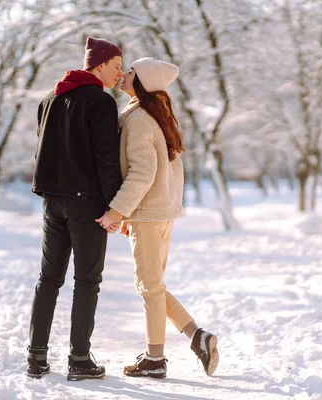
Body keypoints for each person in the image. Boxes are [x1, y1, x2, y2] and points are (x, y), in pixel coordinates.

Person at [96, 57, 219, 379]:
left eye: (131, 72)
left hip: (150, 214)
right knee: (153, 285)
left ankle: (155, 358)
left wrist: (117, 211)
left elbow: (141, 174)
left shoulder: (139, 120)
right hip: (160, 213)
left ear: (143, 82)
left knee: (149, 288)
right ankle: (197, 337)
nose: (123, 74)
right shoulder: (156, 116)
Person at [27, 37, 124, 381]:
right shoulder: (101, 102)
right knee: (87, 282)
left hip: (53, 203)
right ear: (99, 65)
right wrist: (116, 207)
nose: (120, 74)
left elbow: (42, 152)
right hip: (88, 206)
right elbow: (107, 159)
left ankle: (36, 356)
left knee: (48, 278)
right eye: (115, 67)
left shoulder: (49, 100)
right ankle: (79, 359)